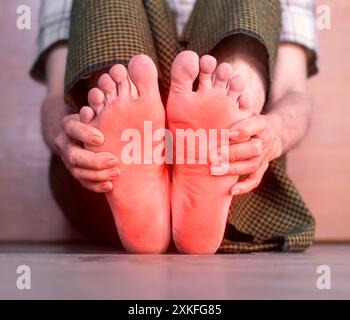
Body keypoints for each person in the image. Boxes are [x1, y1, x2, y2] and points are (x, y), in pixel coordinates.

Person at [31, 0, 318, 254]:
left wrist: (273, 134)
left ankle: (219, 124)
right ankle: (148, 149)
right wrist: (68, 135)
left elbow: (294, 92)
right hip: (98, 192)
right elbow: (58, 99)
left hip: (241, 187)